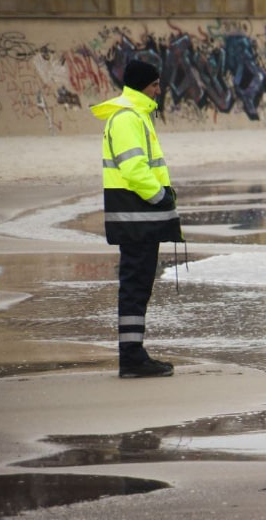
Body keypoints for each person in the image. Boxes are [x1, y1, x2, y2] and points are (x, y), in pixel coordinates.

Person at [90, 59, 183, 378]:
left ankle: (133, 354)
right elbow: (133, 168)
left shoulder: (135, 114)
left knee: (138, 286)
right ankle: (131, 358)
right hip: (136, 216)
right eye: (155, 84)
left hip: (136, 216)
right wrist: (161, 196)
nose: (159, 90)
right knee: (134, 287)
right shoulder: (128, 118)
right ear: (143, 85)